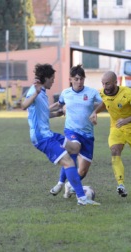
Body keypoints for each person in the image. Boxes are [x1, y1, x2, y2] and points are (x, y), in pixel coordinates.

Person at [21, 63, 100, 206]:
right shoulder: (36, 90)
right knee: (69, 162)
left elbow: (42, 115)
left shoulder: (43, 93)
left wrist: (58, 113)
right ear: (46, 78)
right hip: (41, 138)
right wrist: (35, 93)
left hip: (49, 134)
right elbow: (23, 105)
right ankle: (82, 198)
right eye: (52, 78)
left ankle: (64, 185)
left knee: (74, 148)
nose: (53, 81)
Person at [49, 64, 103, 198]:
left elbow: (104, 103)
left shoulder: (91, 92)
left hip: (88, 135)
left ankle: (70, 186)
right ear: (71, 79)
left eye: (82, 79)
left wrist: (95, 112)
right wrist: (43, 111)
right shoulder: (66, 93)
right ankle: (60, 183)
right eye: (77, 79)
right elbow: (59, 105)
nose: (80, 82)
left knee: (83, 171)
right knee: (73, 150)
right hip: (71, 131)